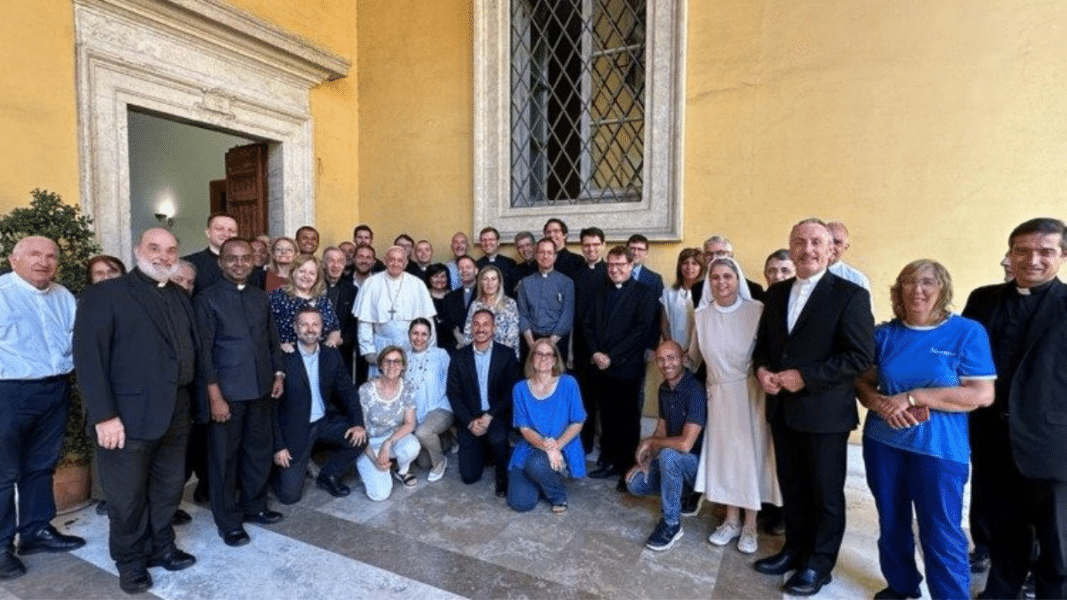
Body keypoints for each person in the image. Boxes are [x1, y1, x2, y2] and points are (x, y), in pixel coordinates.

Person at [855, 259, 995, 600]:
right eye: (909, 282)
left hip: (940, 450)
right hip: (883, 442)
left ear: (942, 289)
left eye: (928, 282)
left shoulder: (966, 332)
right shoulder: (884, 335)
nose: (918, 289)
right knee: (892, 522)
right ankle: (901, 587)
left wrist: (913, 396)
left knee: (941, 531)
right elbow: (861, 380)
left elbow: (981, 393)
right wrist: (879, 403)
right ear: (899, 289)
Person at [751, 218, 874, 596]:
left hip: (824, 413)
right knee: (794, 487)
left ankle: (819, 565)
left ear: (830, 249)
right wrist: (762, 370)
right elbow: (766, 346)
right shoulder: (776, 293)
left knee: (825, 495)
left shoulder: (850, 295)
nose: (807, 250)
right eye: (800, 242)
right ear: (791, 245)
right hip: (783, 410)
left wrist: (805, 376)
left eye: (816, 242)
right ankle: (795, 550)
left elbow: (859, 356)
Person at [74, 229, 197, 594]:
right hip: (125, 417)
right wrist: (104, 415)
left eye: (171, 250)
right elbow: (88, 360)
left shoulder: (178, 295)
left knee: (168, 488)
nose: (163, 256)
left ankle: (161, 546)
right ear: (136, 251)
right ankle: (130, 562)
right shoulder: (105, 294)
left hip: (176, 410)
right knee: (126, 497)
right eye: (154, 248)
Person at [964, 218, 1067, 600]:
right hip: (991, 438)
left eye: (1046, 251)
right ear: (1010, 254)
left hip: (1051, 442)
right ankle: (999, 594)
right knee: (1003, 532)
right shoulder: (983, 299)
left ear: (1063, 255)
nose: (1032, 260)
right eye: (1022, 251)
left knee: (1058, 544)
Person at [1, 236, 86, 582]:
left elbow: (73, 339)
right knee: (3, 474)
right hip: (9, 392)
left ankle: (35, 531)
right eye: (35, 254)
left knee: (41, 466)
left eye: (51, 256)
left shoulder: (63, 296)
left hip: (54, 388)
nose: (44, 262)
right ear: (13, 259)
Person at [195, 238, 286, 548]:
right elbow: (204, 353)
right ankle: (228, 521)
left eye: (245, 258)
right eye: (231, 258)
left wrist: (278, 372)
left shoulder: (262, 297)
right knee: (223, 459)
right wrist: (214, 396)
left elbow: (272, 339)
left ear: (253, 261)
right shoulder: (206, 299)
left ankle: (255, 505)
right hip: (228, 394)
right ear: (221, 262)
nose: (239, 264)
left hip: (261, 387)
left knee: (258, 452)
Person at [689, 257, 781, 555]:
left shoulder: (756, 311)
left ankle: (751, 525)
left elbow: (768, 353)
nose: (721, 282)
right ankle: (730, 520)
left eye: (727, 276)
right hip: (718, 396)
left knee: (749, 458)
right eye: (715, 277)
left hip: (750, 394)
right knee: (725, 458)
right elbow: (693, 357)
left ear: (738, 279)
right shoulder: (701, 315)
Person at [272, 308, 366, 503]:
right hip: (294, 428)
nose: (310, 329)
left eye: (315, 324)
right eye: (304, 324)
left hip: (323, 421)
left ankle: (327, 476)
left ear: (322, 329)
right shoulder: (283, 356)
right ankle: (279, 470)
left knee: (359, 438)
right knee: (289, 497)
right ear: (295, 329)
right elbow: (271, 408)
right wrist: (278, 446)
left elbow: (348, 392)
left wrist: (358, 423)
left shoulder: (331, 355)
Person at [583, 246, 657, 491]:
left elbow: (640, 331)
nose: (614, 269)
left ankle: (627, 468)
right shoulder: (598, 292)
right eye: (611, 265)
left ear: (630, 265)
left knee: (628, 420)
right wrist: (595, 352)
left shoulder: (644, 294)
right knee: (607, 418)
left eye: (620, 265)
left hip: (626, 368)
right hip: (601, 368)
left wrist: (611, 356)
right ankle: (608, 462)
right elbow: (588, 325)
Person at [626, 341, 705, 551]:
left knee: (670, 456)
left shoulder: (695, 389)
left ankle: (672, 524)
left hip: (696, 466)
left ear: (683, 359)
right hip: (673, 460)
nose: (666, 364)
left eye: (671, 357)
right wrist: (648, 460)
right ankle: (682, 494)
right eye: (661, 359)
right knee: (635, 483)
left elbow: (686, 444)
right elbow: (661, 428)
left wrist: (650, 441)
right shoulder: (664, 388)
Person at [506, 338, 586, 513]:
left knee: (536, 464)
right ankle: (543, 479)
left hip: (562, 446)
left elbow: (578, 422)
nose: (544, 358)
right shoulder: (519, 388)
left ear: (555, 359)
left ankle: (558, 495)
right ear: (532, 358)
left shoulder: (568, 383)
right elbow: (524, 428)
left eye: (549, 354)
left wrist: (556, 446)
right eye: (539, 354)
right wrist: (545, 446)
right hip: (532, 446)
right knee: (520, 503)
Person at [447, 309, 521, 496]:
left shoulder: (506, 354)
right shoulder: (458, 356)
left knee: (497, 438)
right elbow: (453, 394)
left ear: (493, 328)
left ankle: (501, 470)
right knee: (469, 477)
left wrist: (490, 415)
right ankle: (486, 451)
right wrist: (470, 421)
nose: (481, 329)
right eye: (476, 324)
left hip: (494, 414)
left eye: (486, 324)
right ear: (471, 328)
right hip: (470, 418)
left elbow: (510, 391)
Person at [352, 246, 437, 375]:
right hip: (381, 346)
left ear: (406, 263)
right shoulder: (371, 283)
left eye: (399, 260)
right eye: (391, 259)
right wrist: (368, 351)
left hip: (411, 346)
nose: (395, 263)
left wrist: (429, 350)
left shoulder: (417, 284)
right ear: (385, 261)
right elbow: (364, 322)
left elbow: (428, 322)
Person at [356, 346, 420, 500]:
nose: (392, 366)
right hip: (368, 445)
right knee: (380, 495)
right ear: (380, 365)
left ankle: (401, 470)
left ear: (403, 366)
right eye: (387, 361)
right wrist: (375, 460)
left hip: (391, 441)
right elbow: (360, 432)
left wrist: (388, 443)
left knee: (412, 445)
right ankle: (369, 468)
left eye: (397, 361)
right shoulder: (366, 390)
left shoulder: (407, 387)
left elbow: (410, 423)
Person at [405, 318, 453, 482]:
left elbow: (452, 382)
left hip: (440, 407)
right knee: (424, 463)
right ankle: (447, 440)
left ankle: (440, 463)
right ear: (409, 334)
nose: (419, 338)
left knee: (423, 433)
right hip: (417, 412)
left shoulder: (440, 355)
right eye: (415, 333)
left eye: (424, 334)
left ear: (430, 336)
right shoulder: (403, 358)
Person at [573, 226, 607, 453]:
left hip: (606, 347)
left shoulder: (611, 271)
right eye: (587, 245)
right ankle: (584, 443)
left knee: (605, 402)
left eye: (595, 244)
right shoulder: (576, 274)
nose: (591, 249)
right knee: (583, 397)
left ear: (603, 245)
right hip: (581, 345)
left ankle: (606, 447)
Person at [516, 238, 575, 364]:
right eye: (541, 252)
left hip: (557, 341)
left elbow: (567, 316)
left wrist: (549, 344)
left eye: (549, 253)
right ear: (536, 255)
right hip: (531, 341)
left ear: (555, 257)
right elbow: (522, 314)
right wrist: (532, 345)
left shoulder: (567, 283)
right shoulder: (525, 283)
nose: (545, 256)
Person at [268, 253, 342, 350]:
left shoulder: (324, 301)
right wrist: (279, 346)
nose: (306, 276)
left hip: (318, 358)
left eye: (312, 273)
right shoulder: (275, 298)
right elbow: (263, 330)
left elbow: (335, 329)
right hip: (285, 357)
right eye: (302, 271)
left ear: (317, 278)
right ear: (292, 272)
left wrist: (331, 341)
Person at [461, 265, 520, 358]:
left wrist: (500, 358)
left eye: (493, 279)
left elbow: (512, 336)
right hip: (478, 356)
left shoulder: (510, 304)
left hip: (503, 357)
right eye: (485, 279)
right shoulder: (475, 305)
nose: (489, 283)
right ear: (481, 282)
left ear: (499, 283)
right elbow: (468, 334)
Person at [322, 246, 359, 377]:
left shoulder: (352, 290)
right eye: (331, 260)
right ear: (324, 264)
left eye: (340, 262)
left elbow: (355, 322)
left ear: (344, 266)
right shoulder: (314, 286)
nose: (335, 265)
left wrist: (342, 340)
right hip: (315, 349)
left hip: (342, 351)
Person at [697, 235, 766, 302]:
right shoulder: (696, 289)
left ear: (731, 256)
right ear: (704, 258)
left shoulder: (754, 289)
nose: (714, 257)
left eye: (720, 253)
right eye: (709, 254)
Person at [660, 248, 704, 354]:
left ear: (701, 268)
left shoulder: (705, 294)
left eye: (694, 263)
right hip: (674, 351)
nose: (689, 267)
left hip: (699, 352)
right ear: (680, 266)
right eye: (685, 263)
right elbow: (664, 325)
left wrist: (691, 351)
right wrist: (673, 349)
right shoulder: (668, 293)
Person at [183, 213, 238, 295]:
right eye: (220, 229)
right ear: (208, 233)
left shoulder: (247, 265)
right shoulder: (188, 263)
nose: (226, 234)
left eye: (231, 231)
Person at [438, 254, 478, 352]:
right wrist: (458, 337)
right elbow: (447, 323)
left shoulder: (485, 293)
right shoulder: (449, 298)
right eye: (461, 268)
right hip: (457, 348)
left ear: (476, 270)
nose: (464, 270)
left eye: (468, 267)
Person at [826, 221, 872, 292]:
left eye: (837, 242)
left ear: (845, 248)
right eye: (827, 241)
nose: (830, 246)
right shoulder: (804, 274)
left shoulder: (857, 280)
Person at [476, 227, 516, 291]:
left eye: (491, 239)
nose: (487, 243)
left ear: (498, 242)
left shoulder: (510, 263)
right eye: (484, 240)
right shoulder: (476, 265)